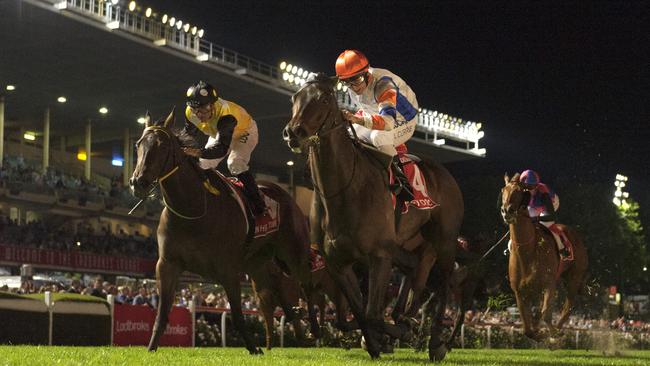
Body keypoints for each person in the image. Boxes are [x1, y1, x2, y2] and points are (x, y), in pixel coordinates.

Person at [335, 49, 419, 201]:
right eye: (347, 82)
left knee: (378, 137)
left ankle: (402, 181)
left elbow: (387, 123)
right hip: (379, 115)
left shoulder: (383, 84)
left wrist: (357, 119)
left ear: (367, 73)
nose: (354, 87)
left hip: (403, 120)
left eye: (357, 80)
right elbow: (367, 110)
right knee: (347, 134)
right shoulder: (353, 87)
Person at [182, 80, 267, 216]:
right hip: (221, 133)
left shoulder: (225, 114)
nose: (199, 115)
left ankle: (258, 204)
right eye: (195, 110)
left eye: (203, 109)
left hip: (244, 132)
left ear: (213, 105)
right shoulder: (190, 113)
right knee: (202, 165)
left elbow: (220, 149)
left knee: (235, 163)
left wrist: (198, 152)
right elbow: (187, 137)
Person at [519, 169, 571, 260]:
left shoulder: (544, 195)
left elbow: (551, 216)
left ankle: (562, 249)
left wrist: (537, 219)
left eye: (529, 187)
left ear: (535, 186)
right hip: (535, 205)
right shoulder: (524, 191)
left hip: (551, 203)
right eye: (524, 187)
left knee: (546, 224)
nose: (526, 190)